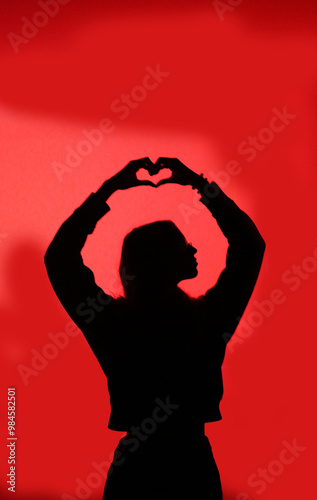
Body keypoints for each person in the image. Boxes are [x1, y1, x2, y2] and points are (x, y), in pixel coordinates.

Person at [44, 157, 265, 499]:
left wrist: (109, 189)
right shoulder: (208, 319)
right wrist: (198, 183)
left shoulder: (112, 323)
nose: (192, 248)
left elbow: (60, 258)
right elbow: (249, 247)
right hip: (192, 467)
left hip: (136, 468)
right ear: (159, 260)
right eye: (181, 244)